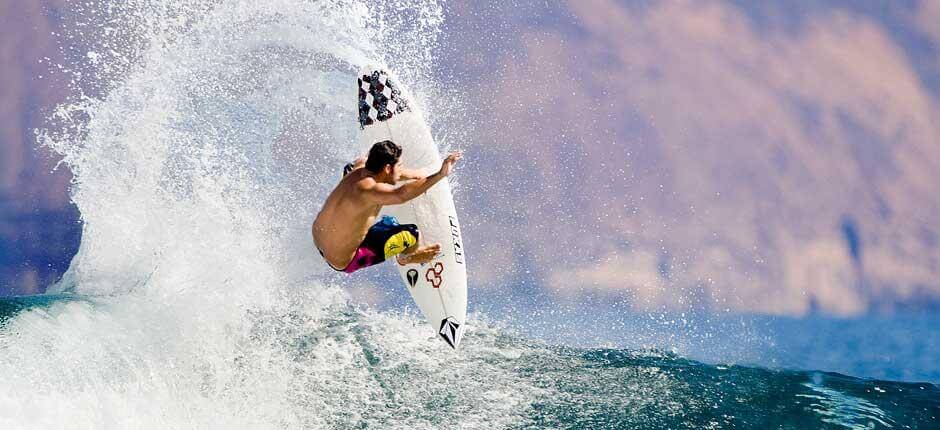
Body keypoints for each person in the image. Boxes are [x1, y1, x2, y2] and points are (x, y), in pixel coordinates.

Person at [312, 140, 462, 273]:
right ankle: (406, 258)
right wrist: (440, 174)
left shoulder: (360, 167)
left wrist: (416, 175)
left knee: (387, 221)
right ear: (388, 169)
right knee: (411, 234)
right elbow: (401, 195)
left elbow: (390, 174)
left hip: (319, 242)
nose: (401, 169)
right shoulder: (369, 190)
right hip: (343, 261)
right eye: (399, 166)